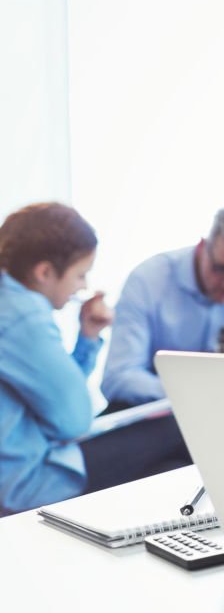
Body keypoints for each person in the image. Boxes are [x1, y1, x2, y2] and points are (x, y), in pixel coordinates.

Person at [101, 204, 224, 407]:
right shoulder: (148, 281)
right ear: (202, 247)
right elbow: (118, 378)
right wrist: (196, 396)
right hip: (163, 416)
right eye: (222, 270)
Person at [0, 203, 112, 512]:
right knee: (167, 439)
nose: (84, 286)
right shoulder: (22, 315)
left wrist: (87, 336)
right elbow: (74, 420)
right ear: (45, 272)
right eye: (80, 274)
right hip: (26, 488)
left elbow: (54, 400)